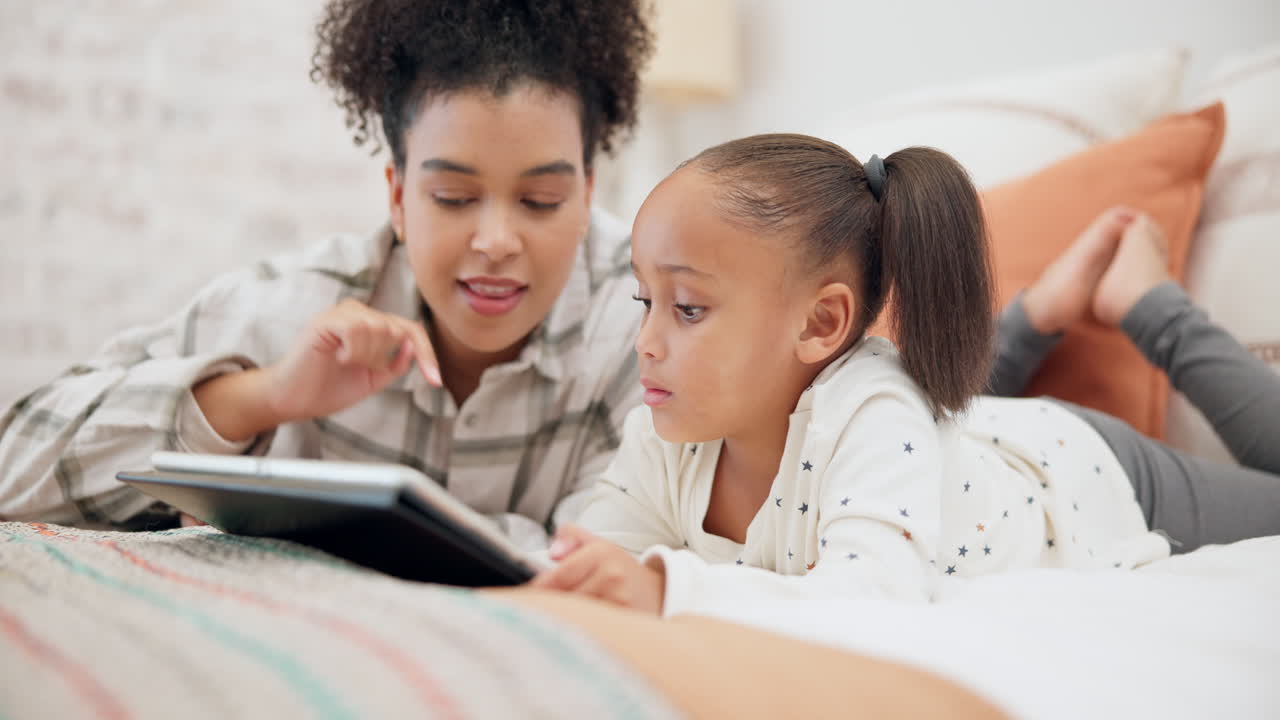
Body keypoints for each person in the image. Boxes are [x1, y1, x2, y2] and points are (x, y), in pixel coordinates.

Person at [530, 133, 1280, 615]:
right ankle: (1037, 314)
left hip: (1087, 472)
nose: (645, 343)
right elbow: (595, 560)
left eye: (687, 308)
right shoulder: (665, 431)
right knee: (937, 411)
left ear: (821, 323)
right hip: (963, 443)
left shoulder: (873, 414)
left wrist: (670, 587)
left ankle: (1148, 305)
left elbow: (869, 599)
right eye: (644, 299)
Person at [0, 0, 655, 549]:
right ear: (397, 197)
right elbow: (13, 468)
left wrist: (303, 533)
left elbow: (610, 555)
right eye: (453, 198)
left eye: (541, 202)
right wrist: (264, 397)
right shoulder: (297, 306)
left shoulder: (643, 318)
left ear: (589, 191)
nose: (495, 242)